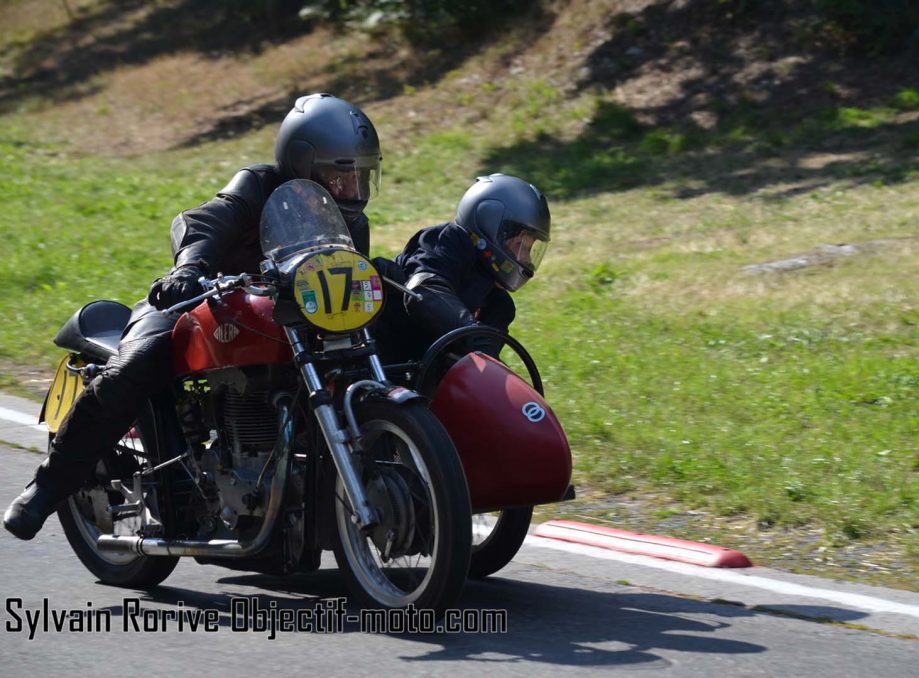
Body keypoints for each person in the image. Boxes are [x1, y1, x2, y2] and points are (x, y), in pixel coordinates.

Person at [3, 92, 382, 540]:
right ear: (302, 161)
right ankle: (46, 487)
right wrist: (189, 268)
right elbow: (202, 222)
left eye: (361, 175)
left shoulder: (349, 222)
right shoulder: (257, 186)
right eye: (342, 174)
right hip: (203, 303)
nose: (352, 189)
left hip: (289, 322)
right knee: (133, 367)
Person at [374, 173, 551, 367]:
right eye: (520, 246)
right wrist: (473, 332)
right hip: (375, 364)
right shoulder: (451, 241)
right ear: (491, 226)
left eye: (529, 249)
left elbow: (484, 366)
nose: (525, 258)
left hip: (421, 383)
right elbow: (424, 290)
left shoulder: (499, 308)